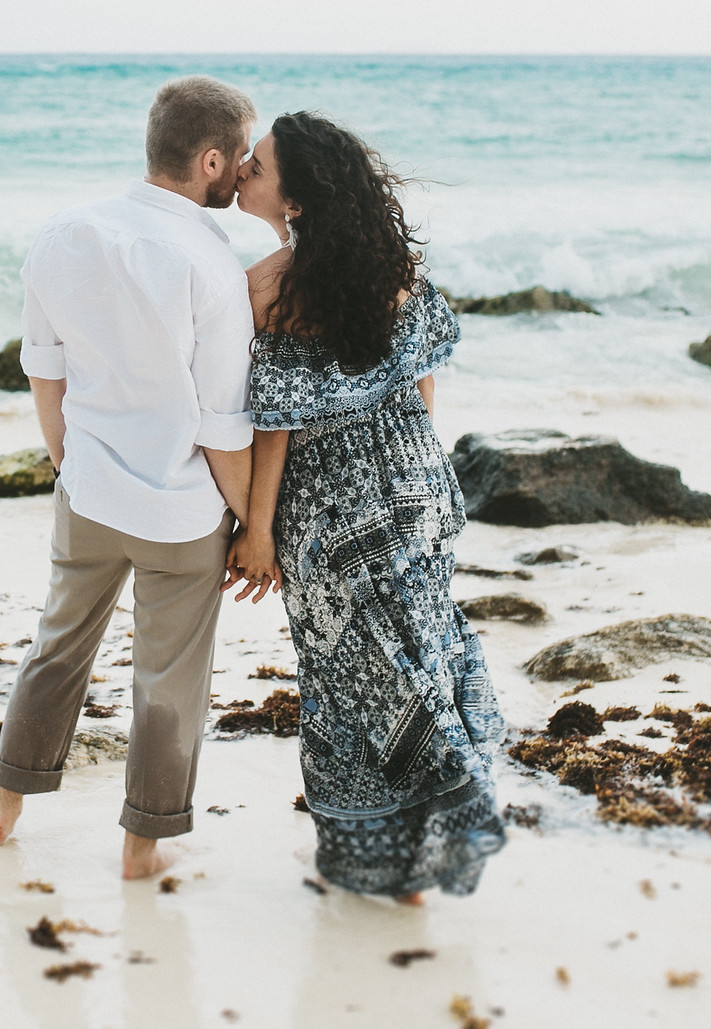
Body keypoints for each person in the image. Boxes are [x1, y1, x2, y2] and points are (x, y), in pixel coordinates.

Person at [0, 75, 257, 880]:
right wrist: (249, 525)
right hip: (181, 513)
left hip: (88, 488)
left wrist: (68, 463)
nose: (243, 173)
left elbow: (44, 368)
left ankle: (3, 810)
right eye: (240, 156)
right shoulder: (210, 262)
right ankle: (143, 847)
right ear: (210, 158)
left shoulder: (67, 231)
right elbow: (220, 421)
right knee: (169, 679)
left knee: (56, 646)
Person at [225, 110, 506, 902]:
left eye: (261, 163)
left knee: (349, 682)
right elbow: (422, 379)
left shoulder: (266, 291)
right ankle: (421, 848)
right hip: (419, 488)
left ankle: (400, 848)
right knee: (419, 655)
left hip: (333, 517)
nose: (243, 167)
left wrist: (256, 531)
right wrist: (426, 478)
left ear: (298, 201)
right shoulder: (399, 270)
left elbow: (274, 428)